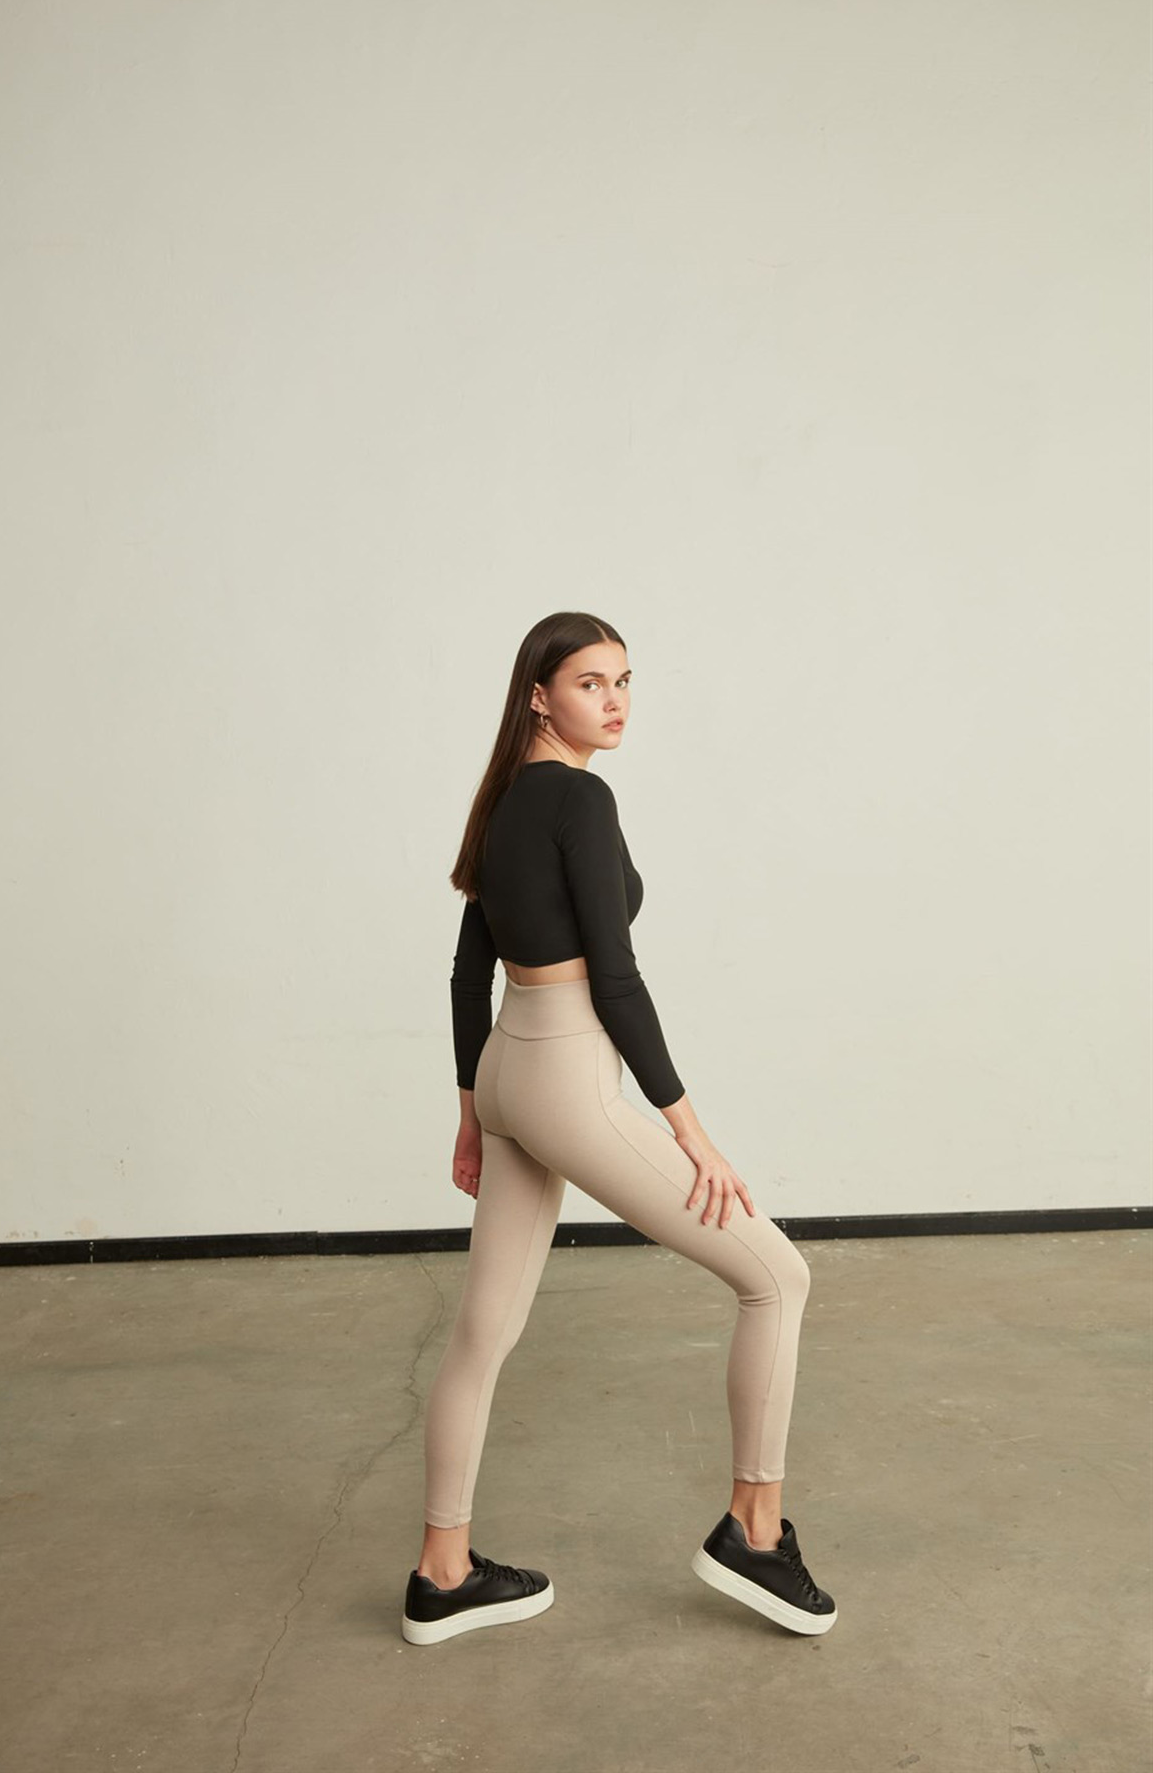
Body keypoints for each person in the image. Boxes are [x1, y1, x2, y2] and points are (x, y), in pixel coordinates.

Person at [402, 612, 837, 1645]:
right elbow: (617, 976)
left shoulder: (504, 801)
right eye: (591, 682)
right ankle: (754, 1532)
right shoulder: (579, 799)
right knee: (777, 1279)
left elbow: (468, 972)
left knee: (480, 1333)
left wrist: (472, 1110)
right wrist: (691, 1132)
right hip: (565, 1073)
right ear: (540, 696)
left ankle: (441, 1573)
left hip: (510, 1068)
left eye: (625, 680)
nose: (616, 701)